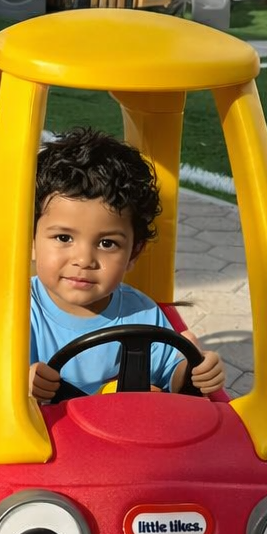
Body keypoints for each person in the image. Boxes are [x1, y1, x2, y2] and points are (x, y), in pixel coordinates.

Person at [26, 128, 226, 403]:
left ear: (134, 253)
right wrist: (17, 380)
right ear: (31, 241)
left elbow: (172, 377)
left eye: (107, 244)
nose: (84, 260)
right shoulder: (14, 310)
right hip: (44, 439)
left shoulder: (142, 313)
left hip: (126, 438)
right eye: (64, 238)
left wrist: (195, 372)